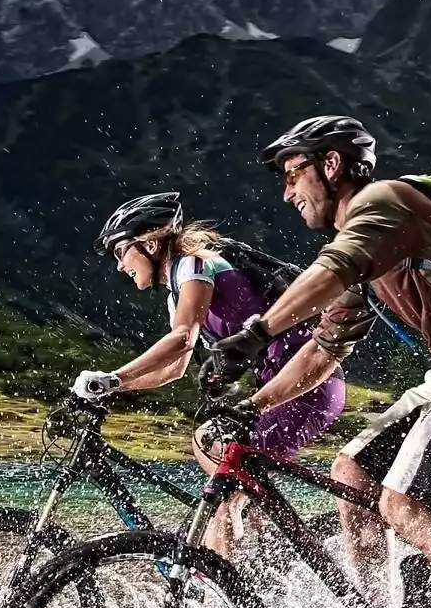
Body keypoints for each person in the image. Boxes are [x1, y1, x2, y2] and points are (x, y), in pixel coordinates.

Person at [199, 115, 431, 608]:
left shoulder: (383, 202)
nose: (287, 192)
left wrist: (255, 333)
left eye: (293, 175)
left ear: (331, 164)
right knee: (353, 474)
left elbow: (332, 270)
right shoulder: (366, 252)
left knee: (402, 504)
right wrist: (254, 404)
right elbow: (323, 349)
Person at [71, 192, 346, 557]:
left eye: (121, 252)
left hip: (306, 385)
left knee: (213, 460)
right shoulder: (178, 291)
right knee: (228, 473)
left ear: (150, 244)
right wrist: (111, 387)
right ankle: (258, 549)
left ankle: (222, 578)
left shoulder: (195, 264)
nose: (120, 266)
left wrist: (113, 377)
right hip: (288, 390)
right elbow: (174, 368)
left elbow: (182, 339)